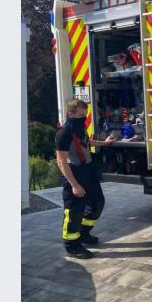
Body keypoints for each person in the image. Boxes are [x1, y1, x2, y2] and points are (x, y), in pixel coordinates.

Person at [55, 98, 115, 259]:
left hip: (88, 171)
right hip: (73, 174)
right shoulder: (64, 133)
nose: (84, 118)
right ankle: (71, 245)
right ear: (70, 114)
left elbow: (86, 143)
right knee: (74, 212)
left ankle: (83, 234)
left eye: (85, 115)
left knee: (97, 203)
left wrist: (105, 142)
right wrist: (74, 185)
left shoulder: (80, 127)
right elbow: (61, 162)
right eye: (81, 115)